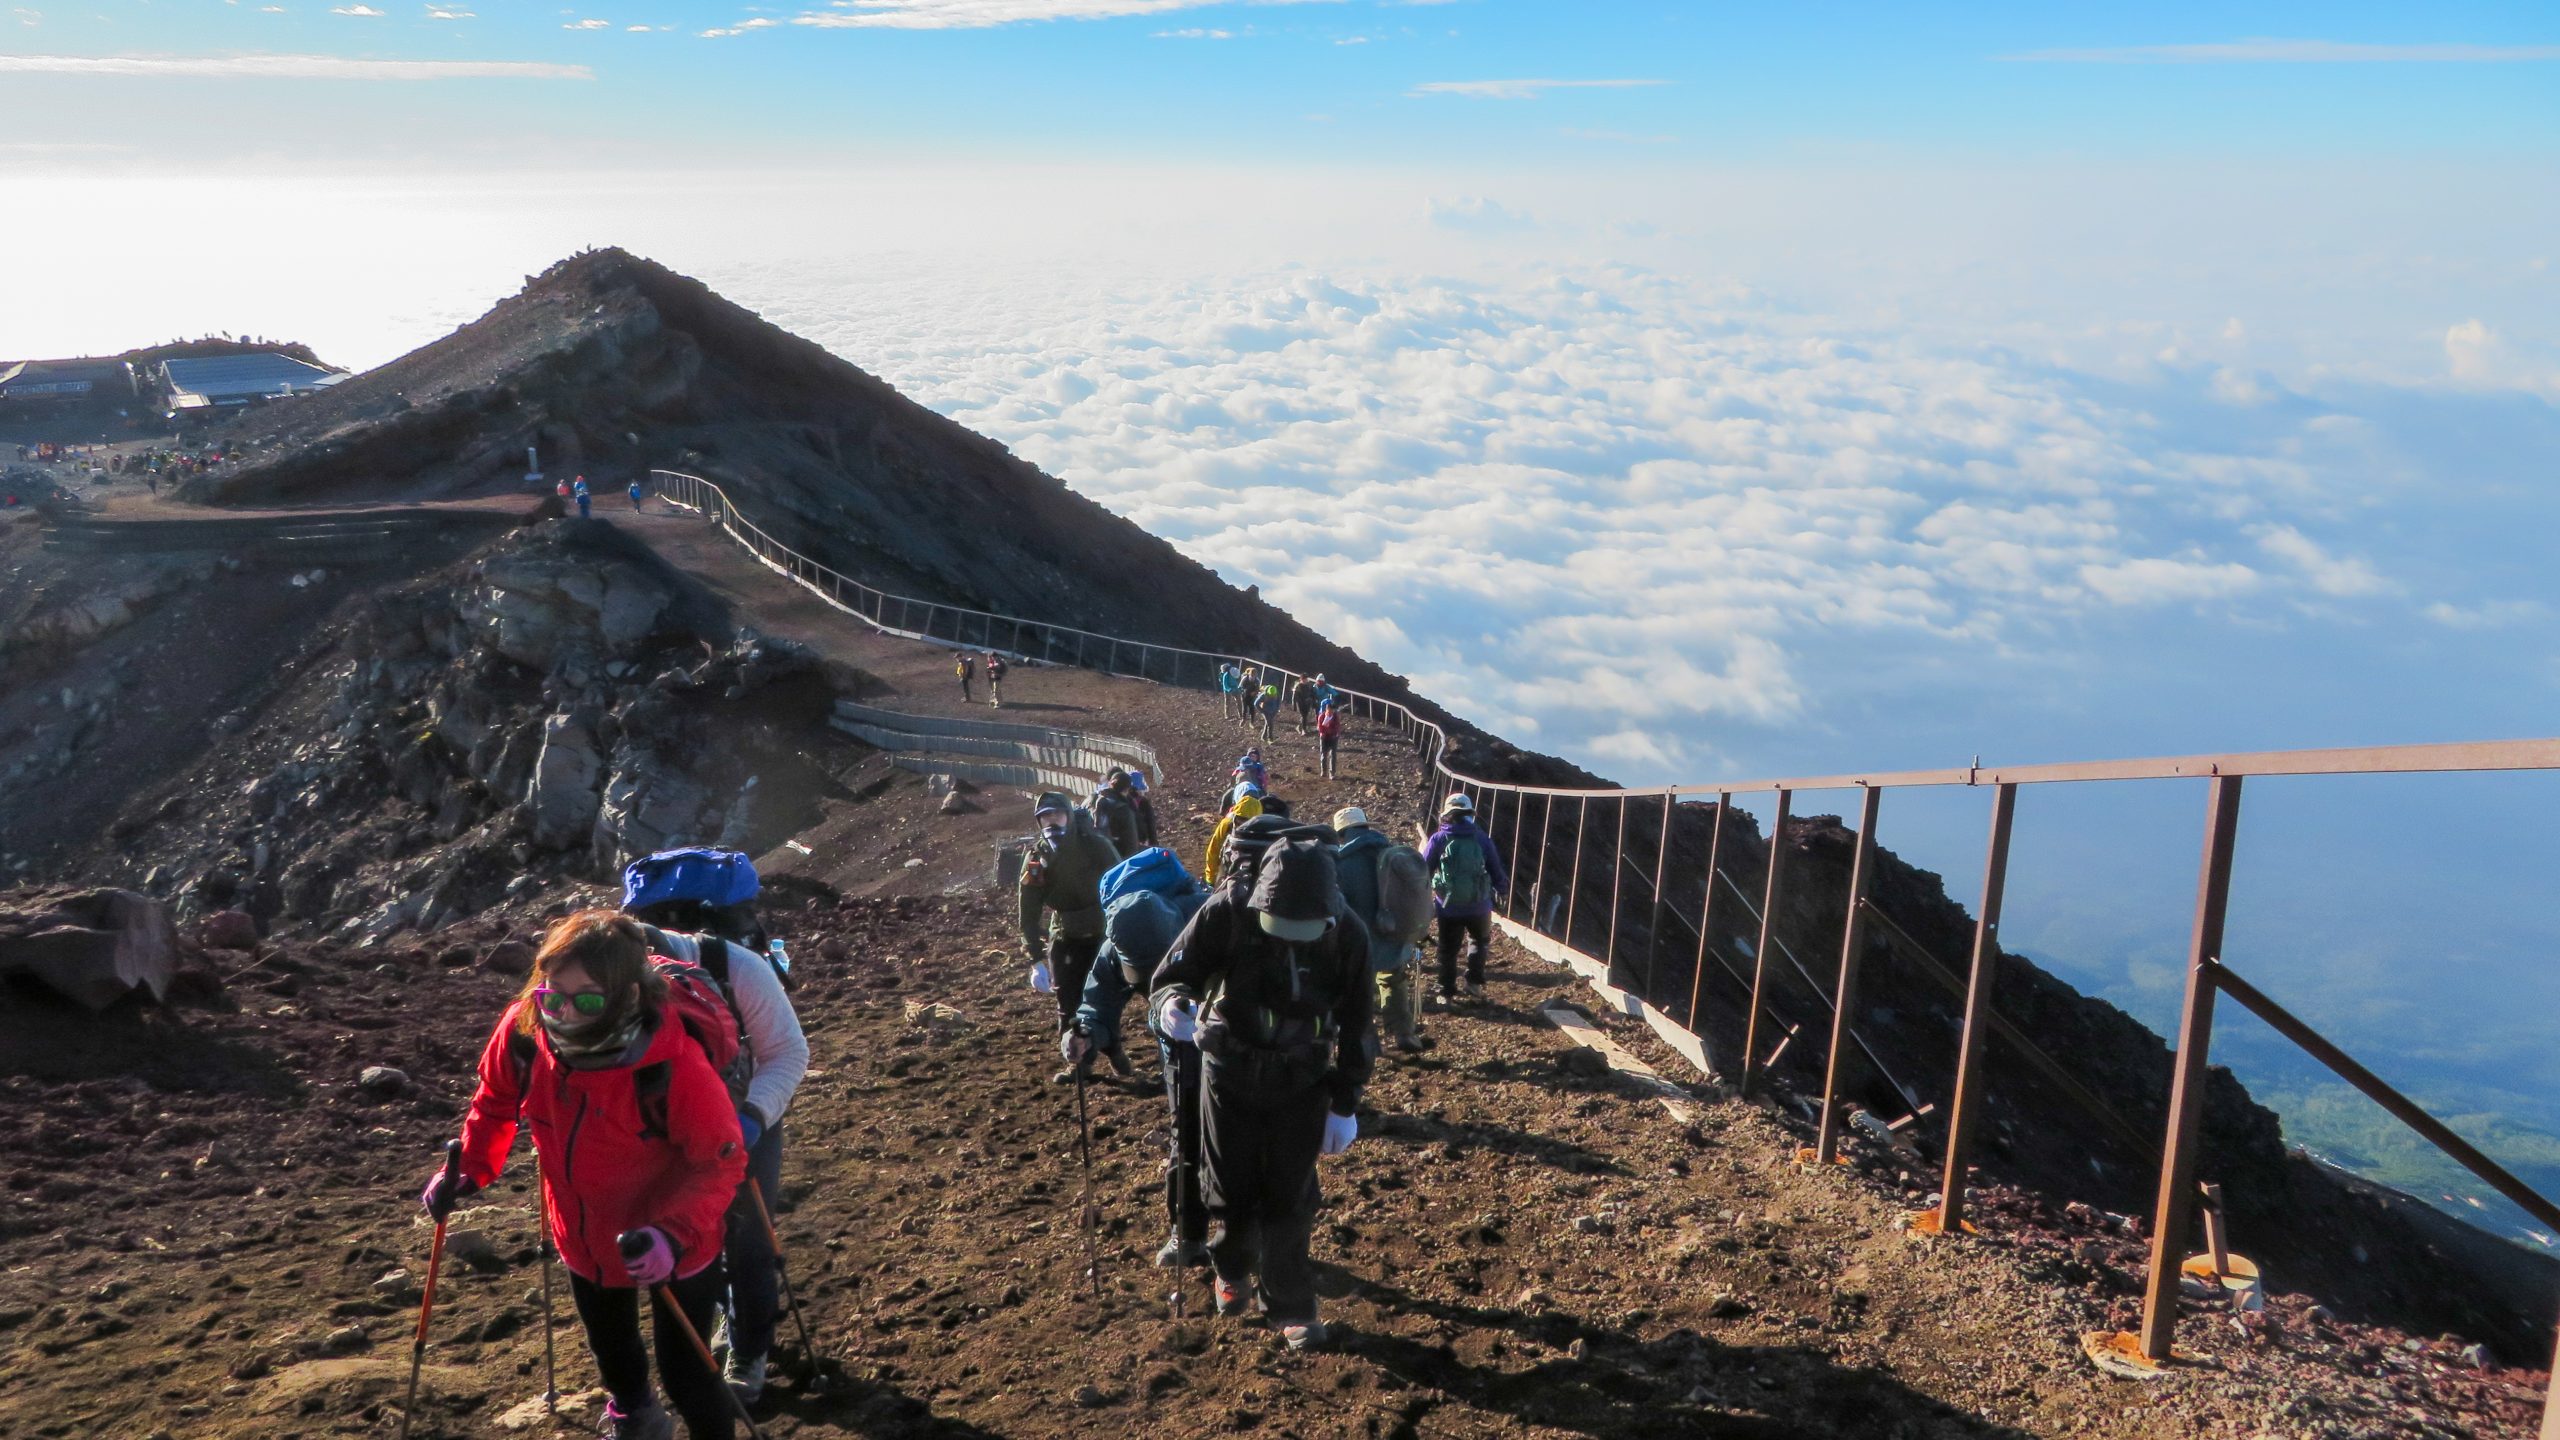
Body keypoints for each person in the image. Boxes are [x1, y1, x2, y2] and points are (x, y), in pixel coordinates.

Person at [427, 912, 746, 1440]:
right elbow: (496, 1101)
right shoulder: (527, 1029)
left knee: (688, 1375)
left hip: (675, 1241)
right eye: (554, 995)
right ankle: (637, 1423)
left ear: (625, 995)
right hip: (584, 1234)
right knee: (615, 1356)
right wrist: (468, 1171)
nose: (567, 1013)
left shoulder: (674, 1064)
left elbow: (719, 1161)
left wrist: (672, 1234)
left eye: (589, 1000)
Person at [1150, 840, 1373, 1349]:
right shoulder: (1227, 910)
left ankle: (1292, 1306)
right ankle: (1230, 1269)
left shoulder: (1348, 933)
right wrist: (1171, 1005)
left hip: (1304, 1077)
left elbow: (1360, 1022)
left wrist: (1345, 1100)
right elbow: (1173, 972)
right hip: (1228, 1070)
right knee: (1229, 1186)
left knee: (1291, 1195)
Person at [622, 866, 809, 1409]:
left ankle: (748, 1348)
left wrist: (751, 1119)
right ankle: (711, 1341)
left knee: (749, 1239)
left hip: (745, 1118)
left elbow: (788, 1053)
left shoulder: (738, 966)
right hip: (662, 1129)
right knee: (689, 1236)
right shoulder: (613, 978)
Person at [1019, 792, 1123, 1070]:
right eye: (1045, 818)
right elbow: (1028, 910)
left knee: (1106, 998)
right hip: (1065, 938)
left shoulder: (1096, 846)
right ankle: (1078, 1062)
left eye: (1057, 815)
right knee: (1068, 1003)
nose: (1052, 823)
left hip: (1102, 935)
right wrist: (1035, 959)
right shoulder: (1036, 858)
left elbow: (1120, 886)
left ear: (1069, 816)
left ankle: (1113, 1048)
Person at [1332, 808, 1430, 1054]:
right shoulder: (1389, 852)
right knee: (1393, 979)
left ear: (1342, 834)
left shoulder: (1341, 863)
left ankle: (1370, 1041)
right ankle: (1403, 1032)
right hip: (1392, 932)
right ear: (1366, 827)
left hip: (1358, 939)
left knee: (1359, 989)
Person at [1422, 794, 1510, 1006]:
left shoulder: (1439, 839)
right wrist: (1502, 889)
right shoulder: (1481, 837)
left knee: (1448, 948)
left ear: (1447, 814)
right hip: (1479, 904)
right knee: (1479, 942)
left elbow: (1424, 868)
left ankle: (1446, 990)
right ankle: (1474, 983)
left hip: (1448, 905)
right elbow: (1495, 868)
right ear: (1470, 813)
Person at [1202, 786, 1263, 887]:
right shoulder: (1263, 827)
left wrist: (1211, 880)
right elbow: (1213, 851)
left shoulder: (1228, 823)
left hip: (1233, 876)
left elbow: (1213, 850)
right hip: (1250, 879)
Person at [1092, 768, 1143, 859]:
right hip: (1116, 858)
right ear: (1127, 789)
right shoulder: (1124, 810)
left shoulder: (1093, 800)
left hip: (1095, 856)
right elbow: (1131, 844)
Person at [1126, 770, 1161, 847]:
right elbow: (1151, 826)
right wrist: (1154, 844)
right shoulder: (1144, 803)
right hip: (1143, 841)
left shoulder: (1124, 801)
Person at [1315, 700, 1342, 779]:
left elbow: (1337, 727)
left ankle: (1332, 773)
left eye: (1332, 711)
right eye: (1329, 710)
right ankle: (1323, 770)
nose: (1330, 712)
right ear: (1326, 710)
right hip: (1324, 737)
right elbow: (1320, 727)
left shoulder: (1335, 717)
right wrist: (1324, 732)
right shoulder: (1322, 716)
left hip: (1333, 737)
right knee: (1323, 754)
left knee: (1333, 754)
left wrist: (1334, 733)